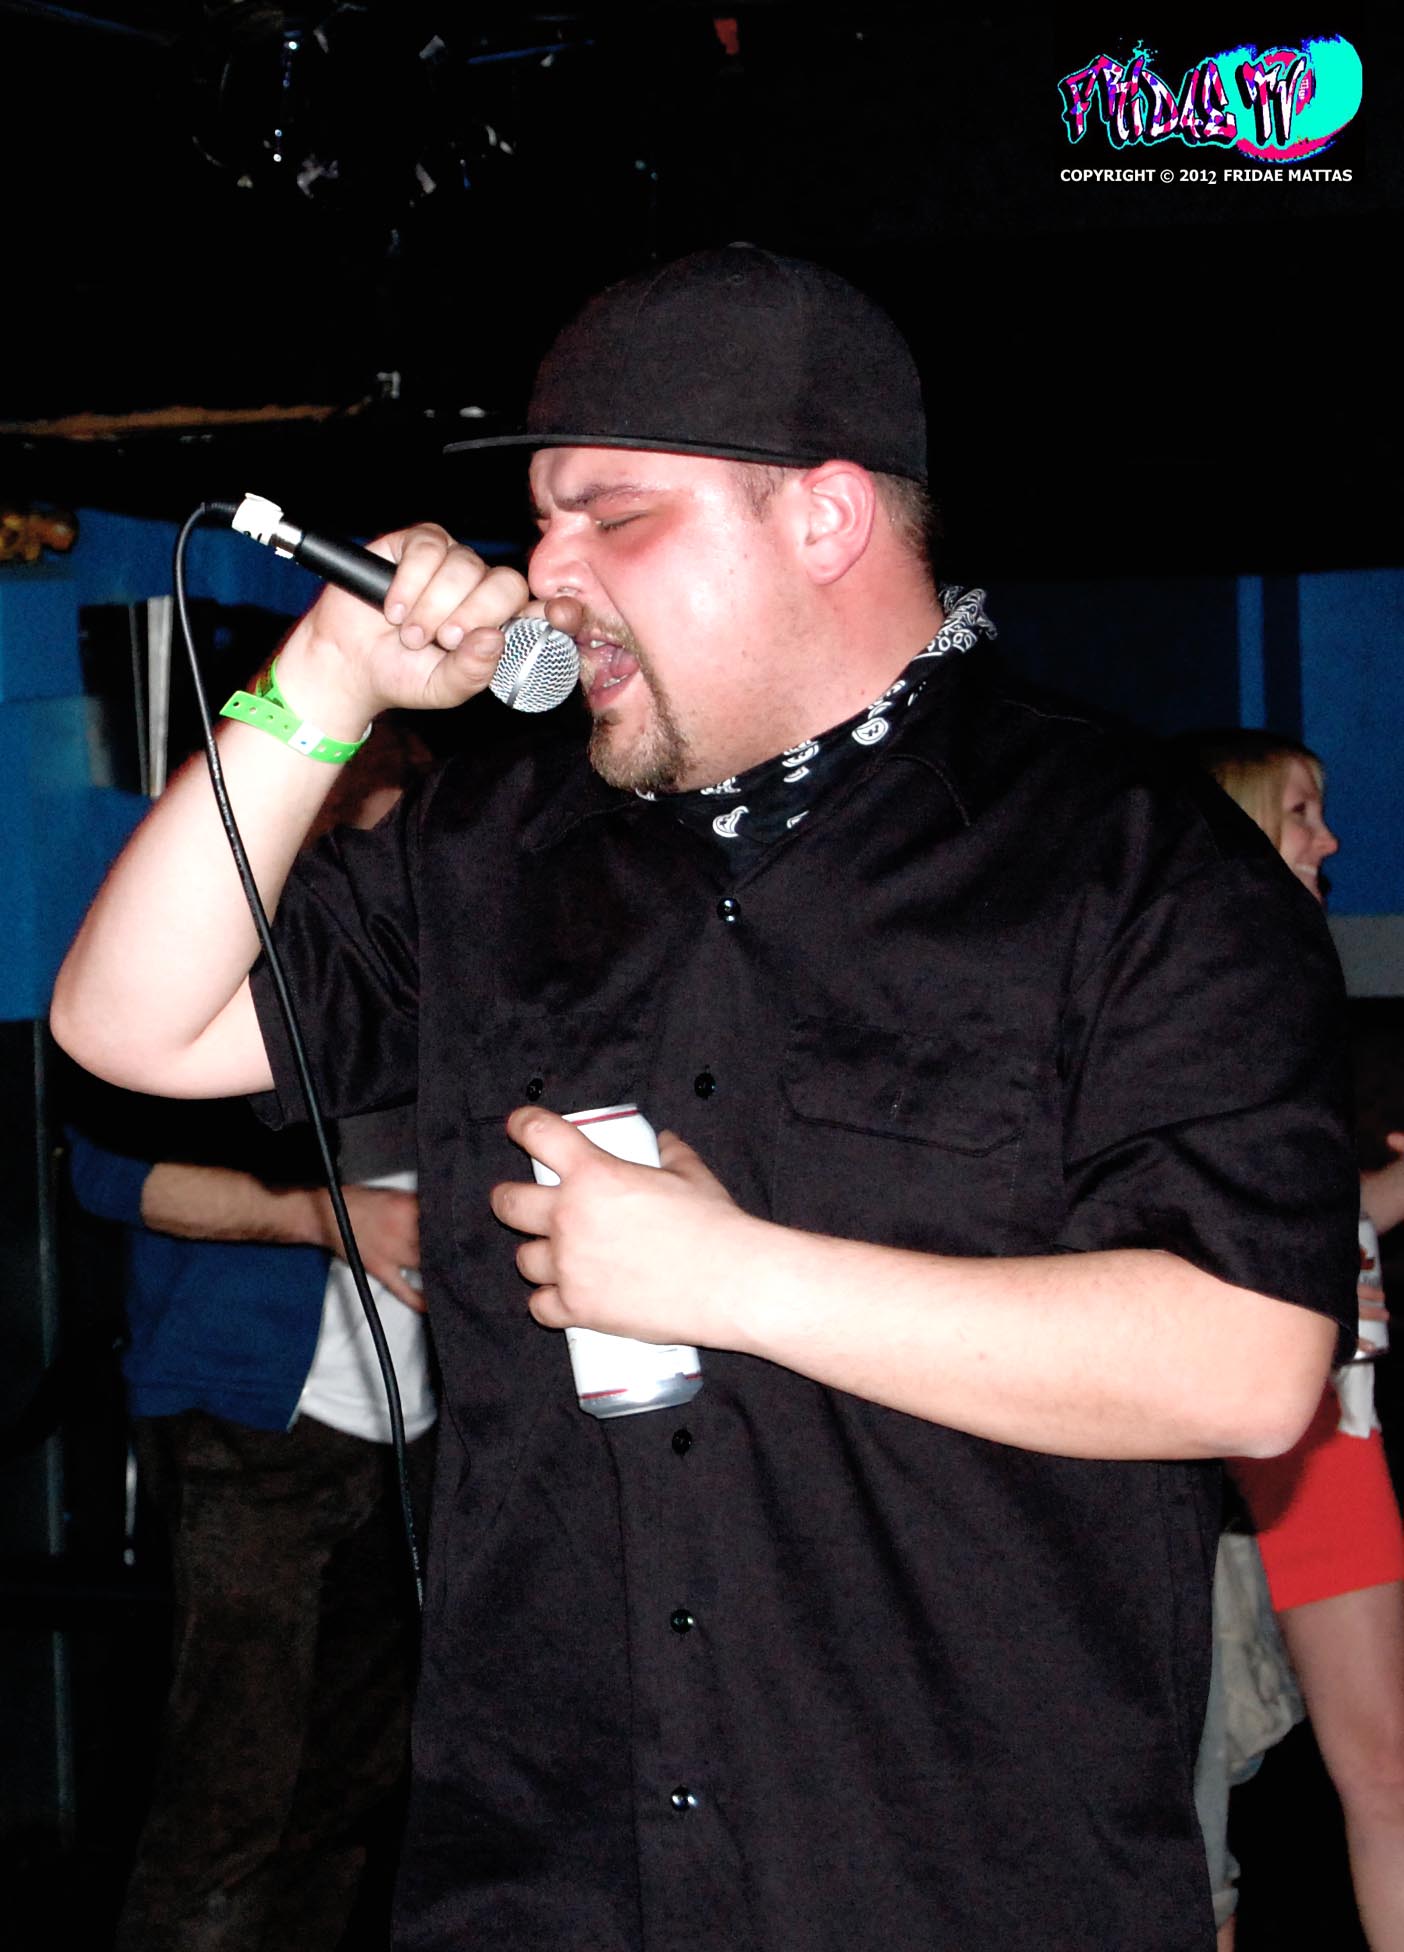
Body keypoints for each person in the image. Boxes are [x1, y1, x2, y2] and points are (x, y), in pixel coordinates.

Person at [51, 245, 1359, 1952]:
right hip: (547, 1882)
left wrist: (730, 1279)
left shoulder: (1132, 860)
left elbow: (1247, 1361)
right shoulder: (495, 842)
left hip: (958, 1885)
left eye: (614, 516)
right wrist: (324, 689)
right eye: (540, 521)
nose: (547, 572)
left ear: (823, 518)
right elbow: (128, 1027)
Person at [65, 724, 435, 1952]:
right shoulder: (226, 942)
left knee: (353, 1790)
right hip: (254, 1424)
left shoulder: (449, 933)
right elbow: (110, 1174)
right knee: (227, 1800)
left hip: (415, 1430)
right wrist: (326, 1217)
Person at [1184, 728, 1404, 1952]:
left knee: (1386, 1765)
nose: (1330, 838)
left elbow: (1320, 1214)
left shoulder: (1298, 980)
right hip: (1201, 1425)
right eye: (1302, 810)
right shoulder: (1169, 989)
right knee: (1188, 1805)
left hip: (1329, 1426)